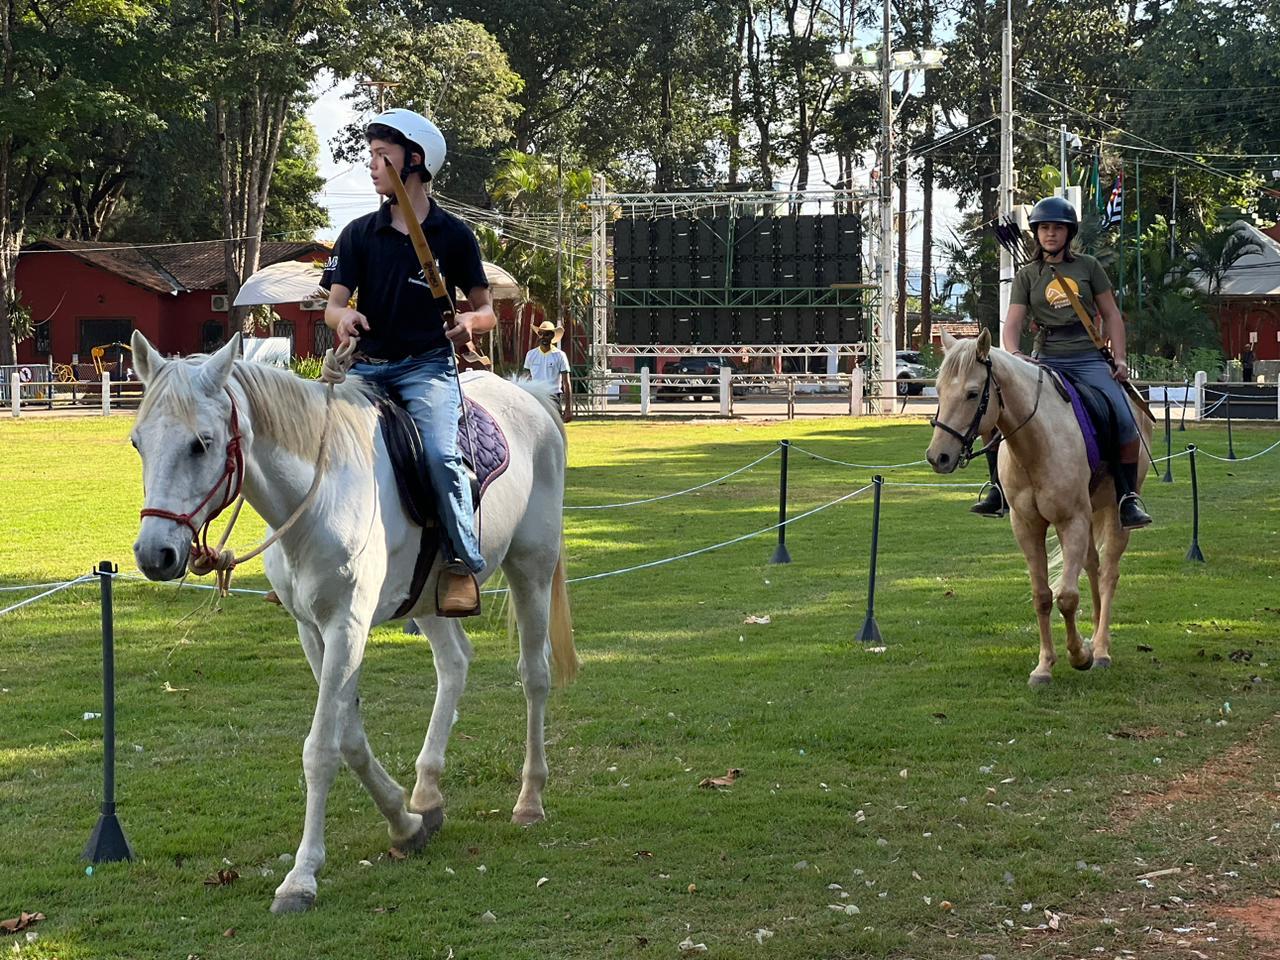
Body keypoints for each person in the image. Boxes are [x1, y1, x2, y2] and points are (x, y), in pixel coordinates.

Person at [320, 108, 496, 616]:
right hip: (366, 369)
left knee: (440, 456)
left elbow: (486, 310)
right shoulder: (358, 233)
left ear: (414, 161)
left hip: (427, 368)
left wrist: (470, 322)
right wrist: (344, 317)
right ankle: (309, 564)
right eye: (371, 155)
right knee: (315, 443)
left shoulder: (454, 235)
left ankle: (461, 564)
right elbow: (334, 305)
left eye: (382, 155)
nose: (372, 165)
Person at [971, 195, 1152, 529]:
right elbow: (1012, 324)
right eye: (1044, 228)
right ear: (1037, 233)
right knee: (996, 410)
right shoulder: (1027, 275)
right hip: (1046, 358)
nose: (1050, 233)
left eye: (1057, 228)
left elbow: (1112, 315)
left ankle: (1127, 496)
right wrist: (1014, 353)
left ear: (1069, 233)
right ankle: (997, 488)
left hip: (1087, 357)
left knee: (1124, 416)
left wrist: (1120, 358)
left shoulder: (1089, 267)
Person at [523, 320, 573, 421]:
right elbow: (525, 379)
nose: (543, 337)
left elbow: (566, 383)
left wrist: (568, 409)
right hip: (536, 397)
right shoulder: (531, 354)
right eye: (541, 334)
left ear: (552, 336)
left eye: (547, 334)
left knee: (555, 428)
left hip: (553, 398)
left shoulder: (560, 355)